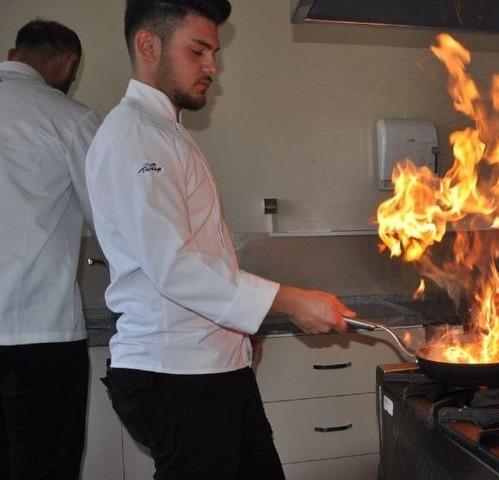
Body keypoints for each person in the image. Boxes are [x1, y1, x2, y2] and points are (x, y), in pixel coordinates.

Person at [86, 1, 355, 478]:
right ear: (148, 45)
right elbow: (175, 267)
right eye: (198, 51)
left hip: (209, 368)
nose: (213, 66)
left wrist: (240, 329)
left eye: (213, 51)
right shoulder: (134, 135)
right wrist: (289, 301)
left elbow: (200, 254)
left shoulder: (165, 130)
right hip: (176, 375)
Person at [0, 19, 99, 479]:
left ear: (12, 53)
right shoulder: (68, 119)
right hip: (38, 337)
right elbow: (115, 223)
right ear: (68, 63)